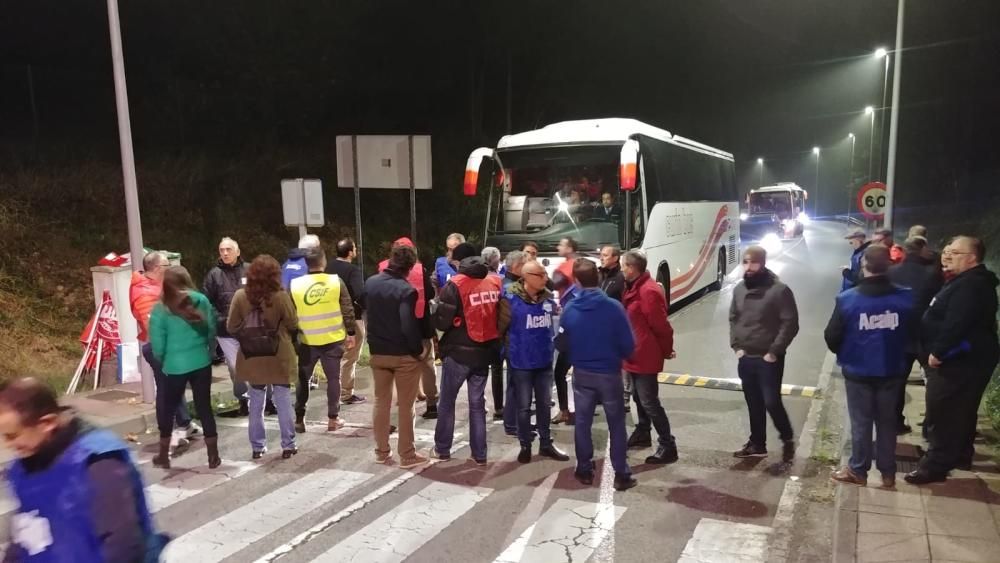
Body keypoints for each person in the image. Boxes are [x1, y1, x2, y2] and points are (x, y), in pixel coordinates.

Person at [0, 378, 168, 562]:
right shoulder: (25, 464)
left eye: (12, 435)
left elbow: (123, 546)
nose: (8, 444)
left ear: (46, 423)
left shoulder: (99, 462)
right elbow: (24, 531)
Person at [906, 236, 1000, 484]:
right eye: (946, 251)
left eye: (955, 253)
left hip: (957, 361)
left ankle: (934, 467)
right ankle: (959, 455)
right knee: (962, 411)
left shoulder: (970, 286)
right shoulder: (967, 281)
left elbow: (958, 324)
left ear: (972, 259)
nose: (947, 256)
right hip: (967, 360)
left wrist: (938, 352)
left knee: (943, 412)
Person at [825, 246, 914, 488]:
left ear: (863, 266)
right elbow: (915, 332)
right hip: (893, 369)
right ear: (889, 266)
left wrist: (846, 351)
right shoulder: (906, 297)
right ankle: (887, 473)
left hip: (858, 371)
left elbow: (832, 336)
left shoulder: (848, 299)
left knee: (861, 422)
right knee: (887, 422)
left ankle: (858, 470)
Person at [558, 259, 637, 491]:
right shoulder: (614, 307)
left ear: (577, 281)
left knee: (582, 422)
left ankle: (584, 468)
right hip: (609, 374)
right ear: (599, 277)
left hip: (582, 373)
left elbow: (562, 343)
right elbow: (628, 345)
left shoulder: (570, 308)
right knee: (616, 424)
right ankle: (621, 473)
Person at [432, 242, 502, 465]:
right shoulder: (494, 281)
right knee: (477, 404)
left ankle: (443, 448)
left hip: (459, 351)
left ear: (458, 261)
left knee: (447, 402)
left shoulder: (456, 284)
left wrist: (435, 310)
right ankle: (479, 454)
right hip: (485, 350)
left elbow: (442, 322)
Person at [227, 255, 300, 460]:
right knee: (283, 400)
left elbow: (231, 326)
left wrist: (248, 334)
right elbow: (293, 323)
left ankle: (257, 447)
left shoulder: (240, 296)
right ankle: (288, 445)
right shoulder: (280, 296)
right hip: (279, 354)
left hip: (251, 355)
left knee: (256, 402)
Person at [730, 245, 799, 460]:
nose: (749, 267)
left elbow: (790, 323)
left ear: (762, 263)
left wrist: (774, 351)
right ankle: (757, 443)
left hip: (768, 358)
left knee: (771, 401)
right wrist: (736, 346)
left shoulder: (779, 290)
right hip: (746, 356)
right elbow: (734, 318)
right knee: (753, 402)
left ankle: (786, 434)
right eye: (746, 262)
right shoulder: (740, 288)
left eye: (753, 262)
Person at [497, 260, 570, 463]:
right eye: (541, 274)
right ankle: (525, 445)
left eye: (545, 274)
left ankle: (546, 443)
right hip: (521, 362)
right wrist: (507, 352)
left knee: (544, 405)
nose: (545, 278)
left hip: (544, 361)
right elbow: (500, 329)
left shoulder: (547, 298)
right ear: (527, 277)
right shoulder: (509, 298)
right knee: (523, 406)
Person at [150, 266, 220, 469]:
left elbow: (158, 344)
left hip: (174, 365)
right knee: (204, 407)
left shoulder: (160, 309)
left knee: (168, 408)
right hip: (201, 362)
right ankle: (213, 455)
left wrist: (162, 361)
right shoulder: (202, 300)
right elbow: (211, 330)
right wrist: (208, 350)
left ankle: (164, 455)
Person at [365, 244, 428, 468]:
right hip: (402, 355)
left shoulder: (371, 283)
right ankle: (407, 454)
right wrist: (417, 350)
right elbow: (407, 324)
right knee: (405, 405)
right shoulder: (406, 290)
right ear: (410, 267)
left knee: (381, 402)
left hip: (377, 351)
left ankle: (381, 451)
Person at [130, 251, 200, 452]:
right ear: (156, 268)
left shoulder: (155, 287)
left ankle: (185, 424)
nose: (169, 269)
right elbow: (152, 325)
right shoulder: (143, 292)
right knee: (166, 391)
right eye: (166, 266)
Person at [289, 248, 357, 433]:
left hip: (307, 341)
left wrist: (292, 337)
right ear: (323, 262)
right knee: (334, 380)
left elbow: (290, 314)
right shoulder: (335, 282)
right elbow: (347, 308)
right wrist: (351, 332)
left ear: (306, 264)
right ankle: (333, 419)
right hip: (332, 339)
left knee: (303, 380)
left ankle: (299, 418)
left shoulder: (295, 285)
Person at [621, 250, 679, 465]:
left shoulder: (649, 291)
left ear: (632, 268)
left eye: (623, 266)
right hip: (633, 353)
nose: (621, 269)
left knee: (649, 401)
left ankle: (668, 444)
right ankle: (643, 431)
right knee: (638, 397)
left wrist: (666, 350)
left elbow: (662, 326)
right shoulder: (634, 287)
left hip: (645, 355)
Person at [888, 237, 944, 432]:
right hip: (926, 335)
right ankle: (931, 425)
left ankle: (895, 422)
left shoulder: (892, 272)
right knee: (933, 382)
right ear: (922, 250)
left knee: (898, 381)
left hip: (899, 334)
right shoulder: (933, 275)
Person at [379, 237, 438, 419]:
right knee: (427, 364)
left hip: (394, 326)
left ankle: (406, 401)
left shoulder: (382, 269)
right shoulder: (421, 270)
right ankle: (432, 403)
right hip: (421, 326)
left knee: (400, 365)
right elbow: (430, 293)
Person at [204, 237, 255, 415]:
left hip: (250, 329)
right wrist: (221, 319)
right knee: (236, 368)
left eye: (228, 249)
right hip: (226, 331)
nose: (225, 253)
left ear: (237, 252)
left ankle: (266, 401)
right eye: (222, 250)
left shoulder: (250, 270)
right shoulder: (213, 275)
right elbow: (207, 302)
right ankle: (244, 402)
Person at [328, 237, 368, 405]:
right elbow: (359, 293)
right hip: (351, 317)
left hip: (329, 316)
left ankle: (333, 390)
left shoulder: (326, 267)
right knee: (350, 356)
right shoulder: (353, 270)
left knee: (332, 355)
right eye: (355, 249)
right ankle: (345, 393)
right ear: (350, 252)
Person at [282, 234, 323, 391]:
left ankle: (300, 378)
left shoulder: (286, 264)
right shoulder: (308, 265)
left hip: (285, 313)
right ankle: (306, 379)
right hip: (302, 313)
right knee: (307, 350)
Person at [551, 237, 579, 425]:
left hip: (571, 324)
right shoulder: (582, 264)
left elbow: (552, 285)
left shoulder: (565, 267)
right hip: (584, 323)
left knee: (560, 371)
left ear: (569, 248)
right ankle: (584, 406)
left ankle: (564, 411)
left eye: (561, 244)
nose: (558, 247)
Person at [481, 246, 507, 422]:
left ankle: (479, 404)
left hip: (480, 331)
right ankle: (499, 407)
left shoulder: (477, 280)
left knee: (480, 370)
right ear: (496, 261)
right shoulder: (501, 280)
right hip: (498, 332)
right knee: (498, 370)